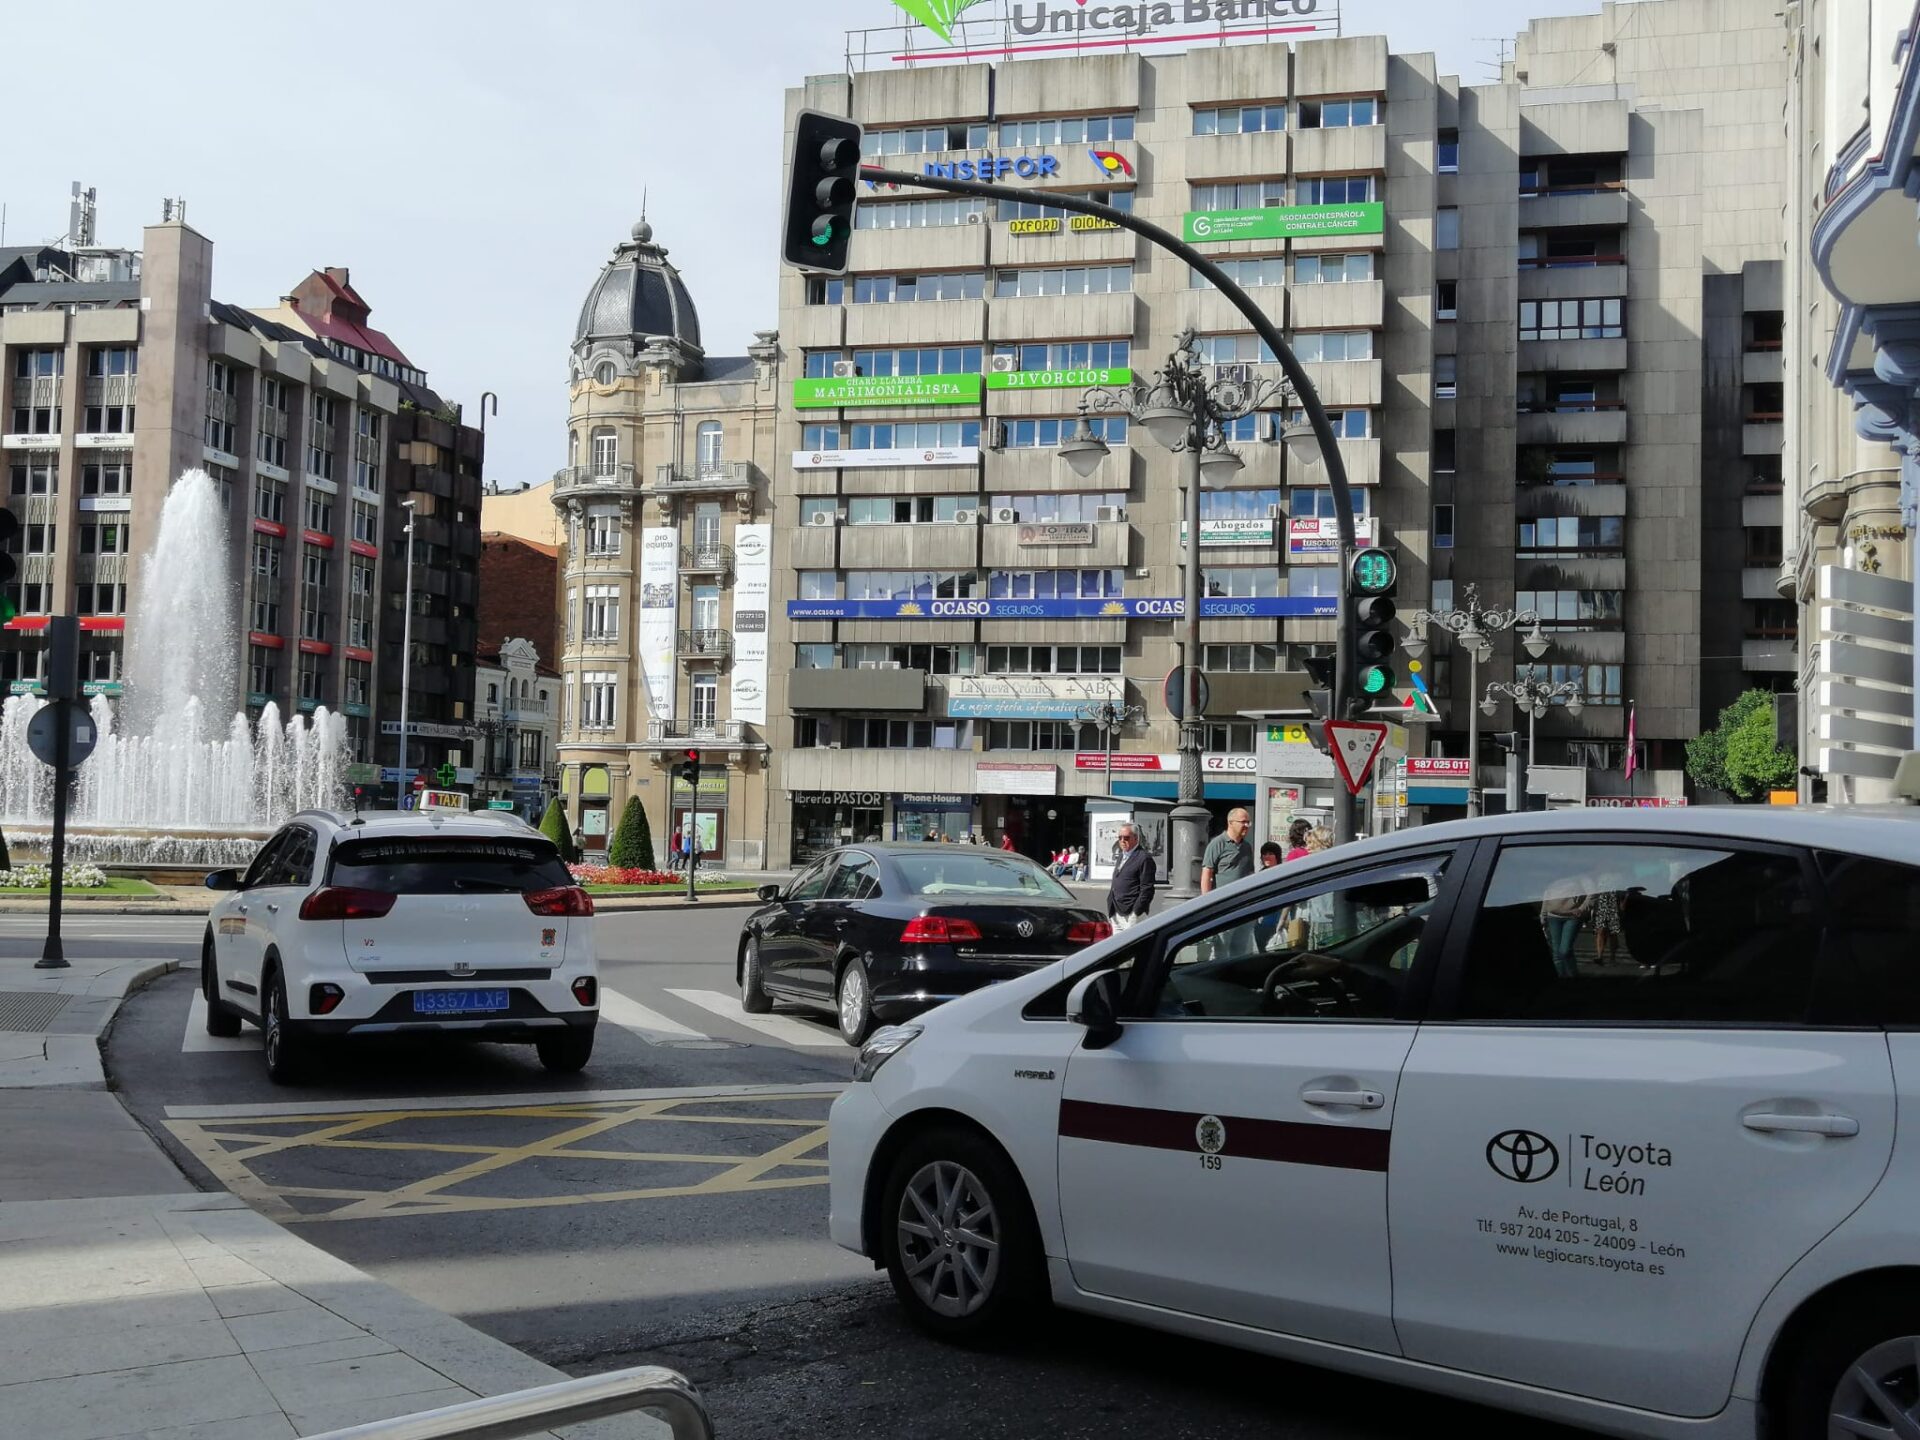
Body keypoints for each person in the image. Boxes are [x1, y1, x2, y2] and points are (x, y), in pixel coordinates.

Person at [1106, 823, 1156, 931]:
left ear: (1136, 838)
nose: (1122, 841)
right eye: (1120, 837)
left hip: (1131, 914)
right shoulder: (1121, 855)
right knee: (1117, 942)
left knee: (1133, 942)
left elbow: (1147, 889)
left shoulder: (1144, 858)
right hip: (1116, 911)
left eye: (1126, 838)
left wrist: (1136, 912)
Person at [1540, 877, 1590, 978]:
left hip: (1572, 917)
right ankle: (1561, 976)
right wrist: (1543, 914)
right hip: (1553, 916)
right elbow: (1547, 895)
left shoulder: (1580, 877)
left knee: (1565, 950)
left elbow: (1592, 893)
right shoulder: (1552, 877)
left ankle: (1573, 975)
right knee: (1556, 952)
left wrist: (1581, 908)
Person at [1200, 807, 1255, 894]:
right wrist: (1205, 899)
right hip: (1223, 898)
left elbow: (1250, 873)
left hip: (1242, 898)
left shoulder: (1247, 847)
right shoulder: (1217, 844)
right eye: (1243, 822)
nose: (1246, 826)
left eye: (1248, 823)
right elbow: (1207, 873)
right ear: (1230, 822)